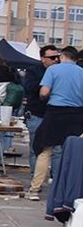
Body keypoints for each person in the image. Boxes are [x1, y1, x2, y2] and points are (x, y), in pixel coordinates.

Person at [34, 47, 83, 191]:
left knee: (45, 151)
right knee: (72, 152)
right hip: (76, 115)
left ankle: (35, 189)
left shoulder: (53, 70)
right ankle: (69, 188)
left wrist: (46, 96)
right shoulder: (82, 72)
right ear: (75, 58)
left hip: (55, 112)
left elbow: (44, 92)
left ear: (62, 56)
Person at [28, 46, 61, 199]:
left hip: (55, 115)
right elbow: (30, 89)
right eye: (52, 58)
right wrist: (47, 80)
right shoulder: (35, 70)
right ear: (43, 58)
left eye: (58, 57)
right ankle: (35, 182)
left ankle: (55, 181)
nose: (56, 60)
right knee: (37, 149)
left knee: (57, 151)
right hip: (37, 114)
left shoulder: (60, 71)